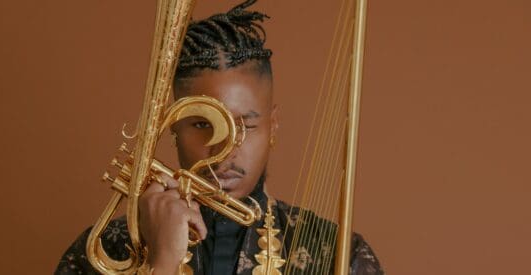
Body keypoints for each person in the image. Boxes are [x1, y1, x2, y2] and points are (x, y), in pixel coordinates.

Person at [56, 1, 383, 274]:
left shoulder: (341, 256)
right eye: (202, 125)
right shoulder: (103, 250)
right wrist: (163, 260)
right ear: (172, 126)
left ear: (273, 127)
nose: (225, 151)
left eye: (245, 126)